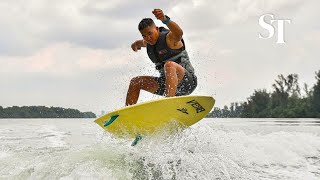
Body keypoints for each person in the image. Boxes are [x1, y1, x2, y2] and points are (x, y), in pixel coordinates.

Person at [126, 9, 197, 106]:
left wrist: (165, 20)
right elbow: (140, 43)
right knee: (136, 82)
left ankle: (168, 104)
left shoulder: (169, 38)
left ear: (157, 29)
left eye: (149, 33)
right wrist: (135, 44)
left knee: (169, 65)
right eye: (144, 36)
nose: (148, 38)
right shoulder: (147, 42)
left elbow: (179, 33)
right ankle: (127, 114)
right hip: (167, 85)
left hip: (187, 82)